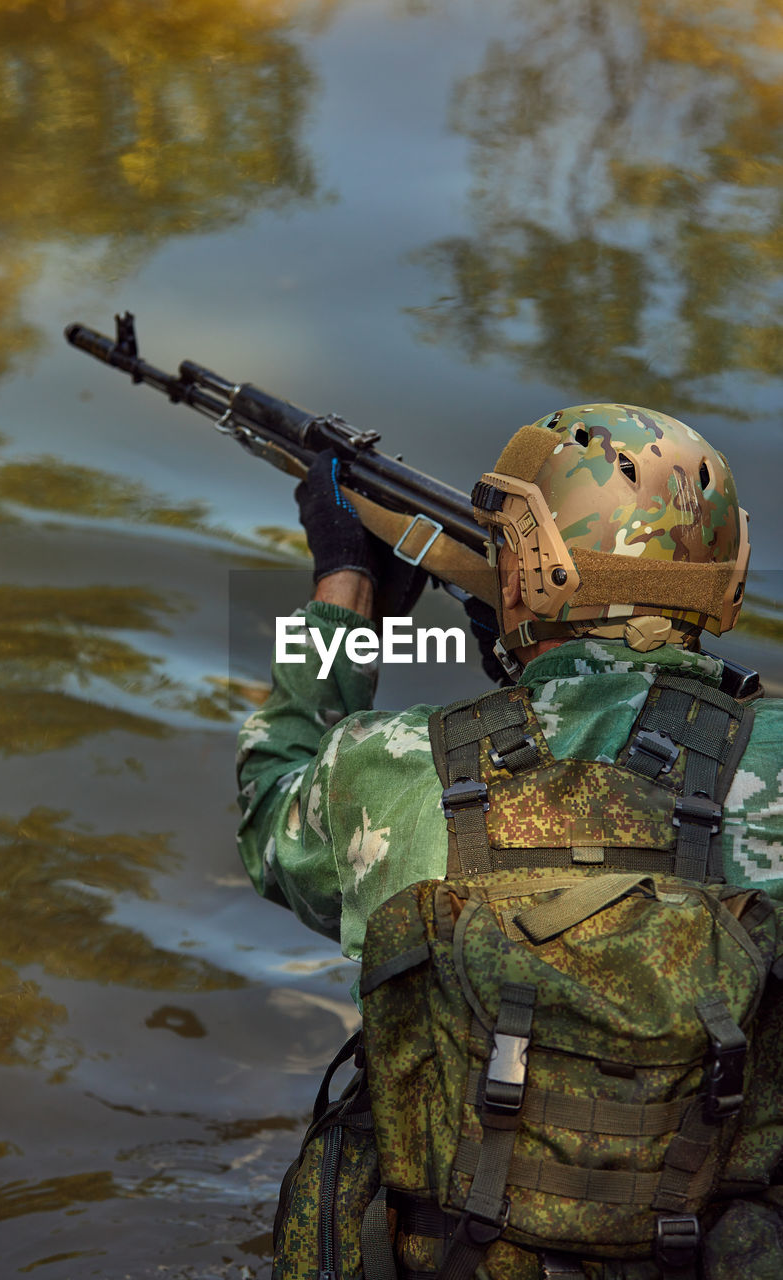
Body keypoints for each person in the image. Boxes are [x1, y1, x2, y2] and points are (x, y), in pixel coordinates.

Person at [236, 404, 783, 1278]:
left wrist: (343, 590)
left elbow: (268, 806)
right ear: (727, 567)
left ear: (522, 564)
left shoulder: (392, 762)